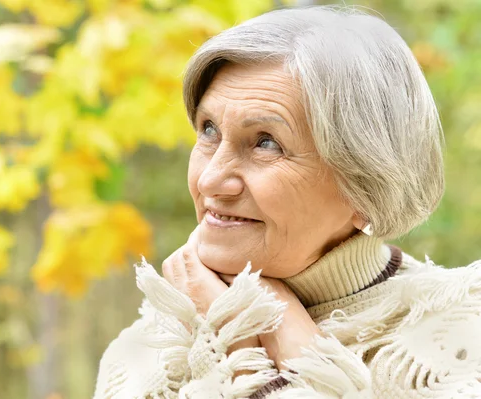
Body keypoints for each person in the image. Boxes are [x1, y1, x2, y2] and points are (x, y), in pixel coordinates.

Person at [93, 6, 481, 398]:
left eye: (266, 143)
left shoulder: (462, 338)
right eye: (208, 130)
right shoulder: (138, 358)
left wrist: (260, 351)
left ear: (366, 182)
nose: (210, 180)